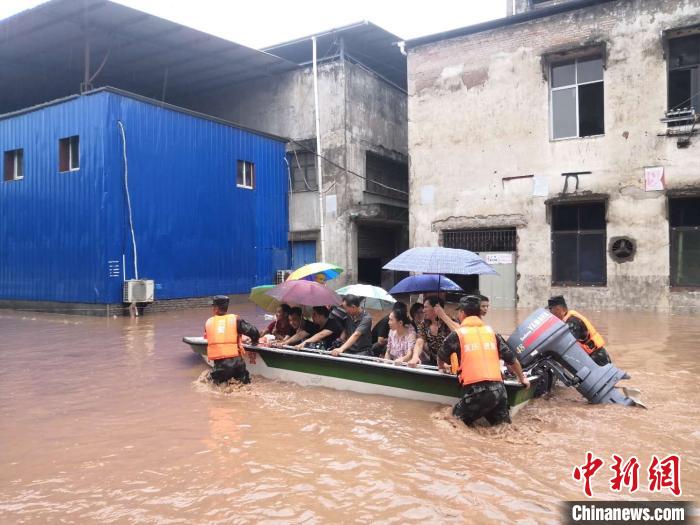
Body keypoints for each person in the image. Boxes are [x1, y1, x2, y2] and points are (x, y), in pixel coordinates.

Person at [438, 295, 529, 427]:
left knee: (452, 422)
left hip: (477, 392)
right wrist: (522, 378)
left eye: (459, 311)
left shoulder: (458, 334)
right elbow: (512, 359)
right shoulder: (491, 332)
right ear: (478, 313)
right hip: (499, 390)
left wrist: (441, 367)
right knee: (503, 429)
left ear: (462, 313)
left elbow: (441, 356)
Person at [204, 295, 260, 384]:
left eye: (213, 306)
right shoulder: (235, 320)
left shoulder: (209, 322)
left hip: (221, 366)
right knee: (244, 385)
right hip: (238, 364)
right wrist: (254, 341)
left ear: (216, 308)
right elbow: (255, 332)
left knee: (212, 386)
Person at [547, 295, 611, 366]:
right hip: (591, 357)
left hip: (597, 358)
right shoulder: (568, 319)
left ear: (558, 309)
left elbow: (568, 344)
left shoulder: (573, 321)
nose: (550, 312)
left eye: (550, 309)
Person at [409, 297, 452, 366]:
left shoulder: (449, 321)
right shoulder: (424, 324)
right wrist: (415, 356)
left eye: (426, 307)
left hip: (451, 363)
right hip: (434, 363)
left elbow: (460, 333)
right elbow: (419, 341)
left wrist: (443, 316)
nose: (423, 310)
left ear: (436, 308)